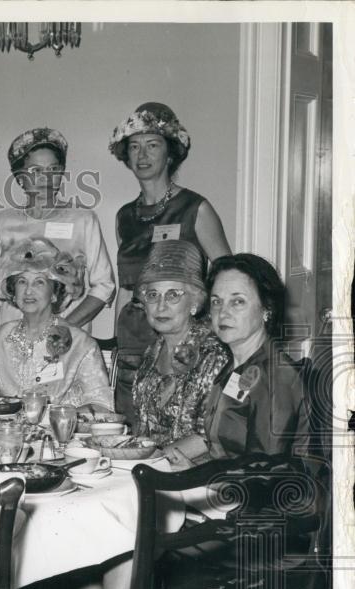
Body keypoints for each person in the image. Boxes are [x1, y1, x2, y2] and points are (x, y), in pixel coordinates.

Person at [109, 102, 231, 417]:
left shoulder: (195, 208)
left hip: (182, 342)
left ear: (171, 152)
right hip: (133, 344)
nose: (142, 155)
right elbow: (126, 288)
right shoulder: (124, 217)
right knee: (131, 429)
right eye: (134, 147)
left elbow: (227, 277)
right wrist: (118, 348)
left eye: (152, 145)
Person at [170, 254, 311, 466]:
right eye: (217, 301)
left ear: (266, 309)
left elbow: (264, 475)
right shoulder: (235, 367)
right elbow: (221, 447)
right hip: (228, 490)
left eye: (238, 301)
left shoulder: (275, 378)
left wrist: (196, 480)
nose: (223, 313)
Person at [0, 127, 115, 339]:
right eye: (35, 171)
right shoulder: (4, 222)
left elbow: (105, 285)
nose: (45, 178)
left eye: (53, 170)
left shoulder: (83, 220)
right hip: (12, 338)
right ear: (19, 177)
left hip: (65, 340)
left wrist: (61, 328)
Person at [0, 239, 113, 411]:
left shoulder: (81, 344)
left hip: (59, 434)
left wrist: (60, 417)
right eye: (22, 281)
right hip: (7, 433)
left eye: (39, 282)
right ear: (13, 293)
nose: (28, 290)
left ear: (55, 294)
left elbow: (101, 404)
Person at [131, 240, 231, 452]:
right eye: (152, 295)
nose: (160, 305)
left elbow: (211, 436)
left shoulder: (213, 355)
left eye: (173, 295)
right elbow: (143, 425)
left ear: (195, 302)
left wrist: (152, 462)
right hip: (154, 466)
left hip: (195, 472)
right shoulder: (153, 352)